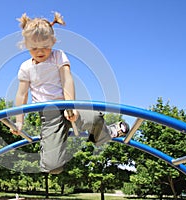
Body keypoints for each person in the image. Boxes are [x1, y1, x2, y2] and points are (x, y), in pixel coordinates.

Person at [11, 12, 129, 174]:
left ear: (52, 42)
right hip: (49, 115)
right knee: (53, 168)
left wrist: (70, 106)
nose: (40, 51)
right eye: (34, 48)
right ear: (26, 45)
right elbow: (21, 95)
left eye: (45, 47)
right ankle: (51, 147)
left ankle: (106, 133)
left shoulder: (58, 56)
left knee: (94, 117)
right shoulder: (26, 67)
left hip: (68, 106)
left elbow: (67, 80)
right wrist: (19, 121)